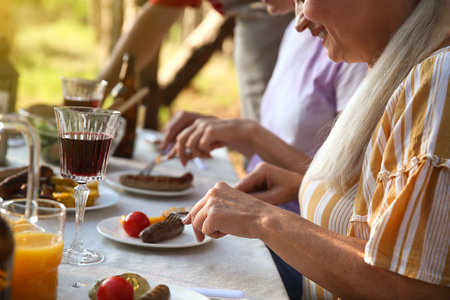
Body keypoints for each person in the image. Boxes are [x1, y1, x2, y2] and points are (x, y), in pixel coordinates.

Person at [182, 0, 450, 299]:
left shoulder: (441, 76)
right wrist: (305, 187)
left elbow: (414, 289)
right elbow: (381, 218)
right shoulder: (400, 66)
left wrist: (263, 219)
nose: (299, 21)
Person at [97, 0, 293, 121]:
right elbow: (157, 17)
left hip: (286, 15)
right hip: (251, 16)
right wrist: (97, 92)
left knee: (278, 121)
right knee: (259, 127)